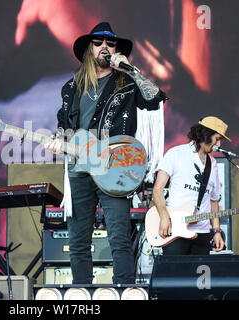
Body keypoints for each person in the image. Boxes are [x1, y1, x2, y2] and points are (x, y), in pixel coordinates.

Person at [45, 22, 166, 284]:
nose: (105, 47)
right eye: (98, 43)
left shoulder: (128, 83)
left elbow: (155, 98)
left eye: (110, 44)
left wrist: (131, 69)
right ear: (89, 49)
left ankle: (124, 289)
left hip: (115, 168)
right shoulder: (71, 87)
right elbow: (65, 125)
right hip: (79, 169)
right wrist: (58, 139)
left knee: (119, 238)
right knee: (78, 240)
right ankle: (82, 292)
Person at [152, 116, 227, 255]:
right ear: (206, 135)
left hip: (202, 233)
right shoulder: (175, 154)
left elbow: (213, 200)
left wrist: (216, 231)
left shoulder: (213, 164)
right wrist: (163, 217)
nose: (219, 144)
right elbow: (157, 190)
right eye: (217, 139)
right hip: (175, 230)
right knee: (175, 275)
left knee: (200, 275)